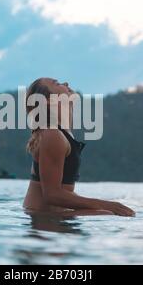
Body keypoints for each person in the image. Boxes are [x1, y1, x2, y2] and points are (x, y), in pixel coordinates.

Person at [23, 78, 135, 217]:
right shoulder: (52, 135)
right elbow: (51, 195)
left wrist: (106, 206)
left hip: (52, 217)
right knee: (106, 213)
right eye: (57, 83)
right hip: (42, 219)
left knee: (107, 212)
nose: (66, 84)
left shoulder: (61, 133)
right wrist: (106, 205)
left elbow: (62, 191)